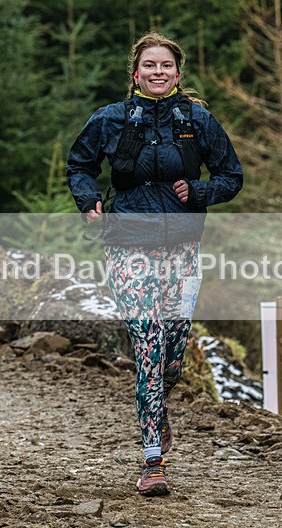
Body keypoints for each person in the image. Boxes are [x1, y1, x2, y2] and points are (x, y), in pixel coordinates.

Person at [66, 32, 243, 496]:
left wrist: (200, 191)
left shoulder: (198, 120)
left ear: (177, 73)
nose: (158, 72)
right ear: (136, 72)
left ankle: (157, 407)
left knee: (171, 352)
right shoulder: (111, 119)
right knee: (147, 339)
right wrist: (89, 203)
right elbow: (79, 165)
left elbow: (232, 176)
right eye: (150, 65)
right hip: (128, 243)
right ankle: (152, 460)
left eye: (166, 65)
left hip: (183, 248)